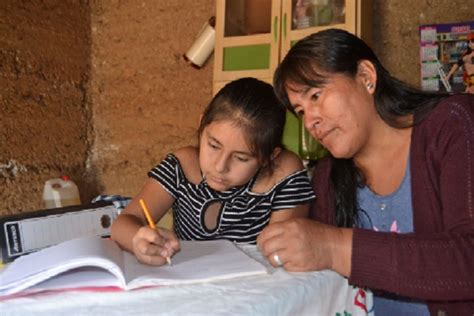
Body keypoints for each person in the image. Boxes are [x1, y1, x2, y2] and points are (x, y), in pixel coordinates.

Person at [257, 28, 474, 315]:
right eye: (300, 111)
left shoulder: (452, 126)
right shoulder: (327, 177)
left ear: (366, 77)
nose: (310, 121)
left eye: (316, 96)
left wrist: (334, 247)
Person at [111, 77, 315, 266]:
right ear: (201, 125)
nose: (220, 166)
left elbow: (281, 253)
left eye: (241, 158)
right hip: (188, 284)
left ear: (269, 157)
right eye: (214, 146)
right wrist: (138, 240)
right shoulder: (182, 165)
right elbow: (122, 224)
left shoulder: (281, 174)